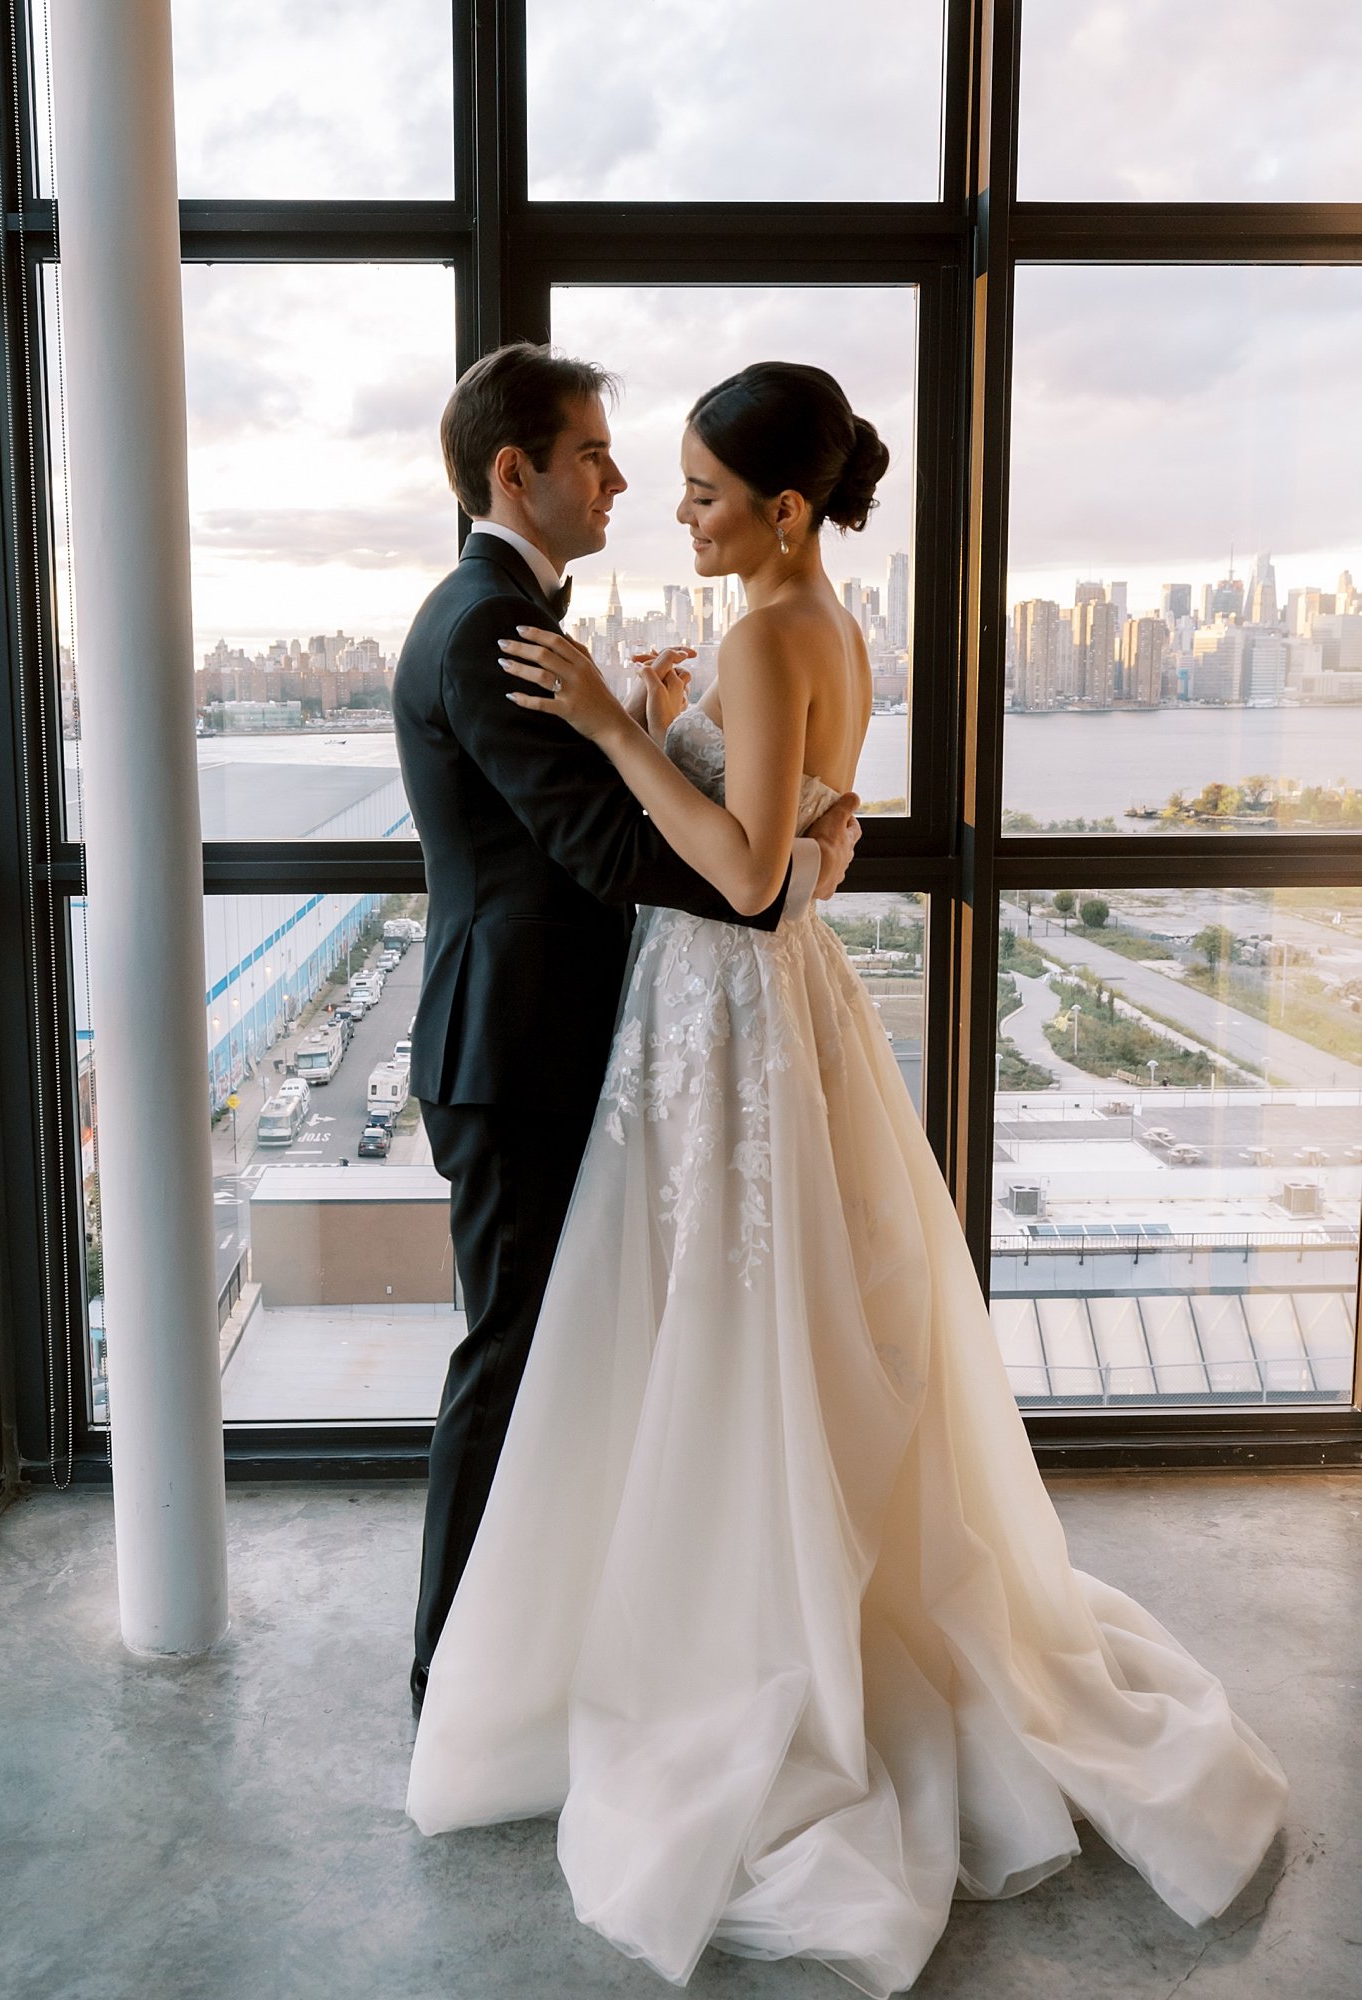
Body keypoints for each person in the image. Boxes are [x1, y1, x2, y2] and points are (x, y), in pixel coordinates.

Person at [406, 361, 1286, 1993]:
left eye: (699, 489)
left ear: (786, 509)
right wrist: (758, 800)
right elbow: (814, 824)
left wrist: (619, 720)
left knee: (718, 1333)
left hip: (725, 1010)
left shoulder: (756, 632)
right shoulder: (827, 621)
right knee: (761, 1328)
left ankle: (694, 1635)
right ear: (517, 471)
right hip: (757, 1013)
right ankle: (660, 1613)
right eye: (630, 469)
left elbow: (740, 871)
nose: (666, 504)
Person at [392, 345, 861, 1723]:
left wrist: (657, 734)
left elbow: (625, 815)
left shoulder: (525, 609)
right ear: (512, 472)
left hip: (575, 1040)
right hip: (514, 1054)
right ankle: (457, 1678)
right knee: (515, 1357)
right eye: (594, 452)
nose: (623, 477)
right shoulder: (488, 623)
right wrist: (781, 873)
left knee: (582, 1354)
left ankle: (568, 1639)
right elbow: (599, 846)